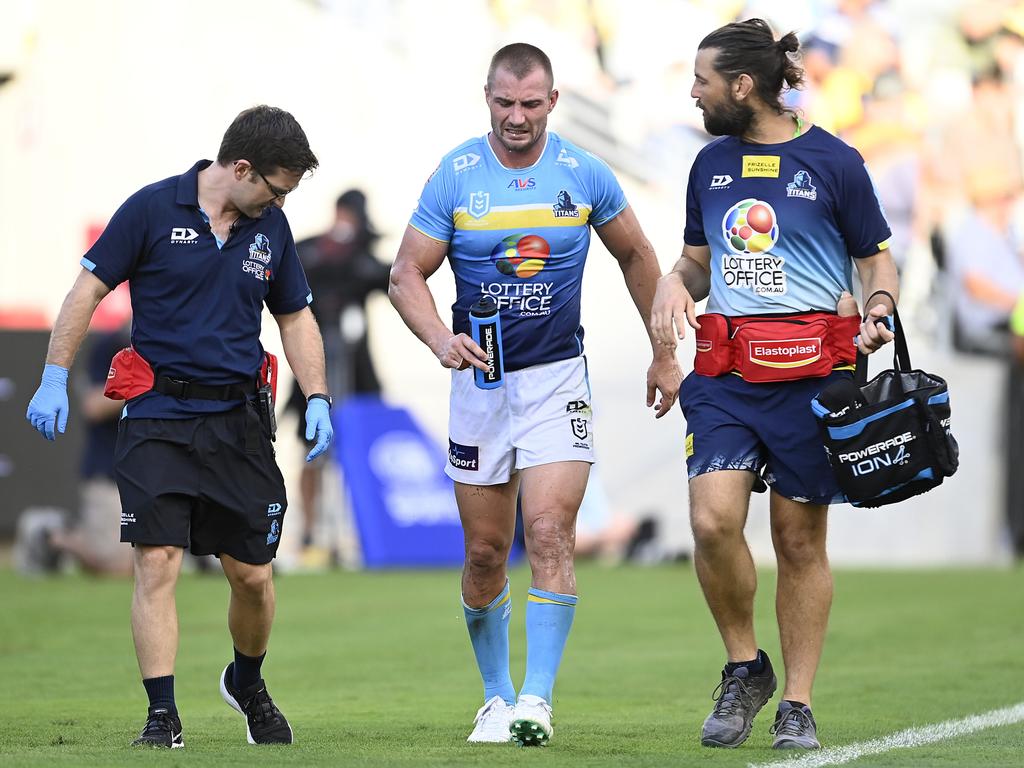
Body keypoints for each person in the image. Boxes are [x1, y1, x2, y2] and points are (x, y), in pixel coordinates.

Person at [389, 43, 681, 746]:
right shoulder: (455, 177)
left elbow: (639, 256)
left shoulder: (583, 173)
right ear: (486, 98)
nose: (516, 117)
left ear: (553, 102)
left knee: (549, 532)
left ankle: (536, 700)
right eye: (504, 103)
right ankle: (494, 697)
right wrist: (437, 340)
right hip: (480, 386)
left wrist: (664, 352)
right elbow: (405, 275)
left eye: (530, 103)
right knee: (486, 551)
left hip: (556, 379)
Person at [25, 105, 334, 749]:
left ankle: (246, 681)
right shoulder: (151, 209)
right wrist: (54, 376)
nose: (279, 203)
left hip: (239, 423)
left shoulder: (269, 228)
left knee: (251, 575)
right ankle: (162, 715)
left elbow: (296, 319)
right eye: (276, 188)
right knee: (156, 561)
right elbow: (85, 292)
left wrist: (319, 396)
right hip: (159, 419)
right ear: (241, 168)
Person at [650, 20, 899, 751]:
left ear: (742, 86)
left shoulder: (835, 162)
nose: (692, 93)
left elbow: (876, 262)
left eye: (702, 81)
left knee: (797, 540)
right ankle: (743, 666)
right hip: (727, 375)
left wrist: (879, 306)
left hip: (816, 376)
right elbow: (698, 261)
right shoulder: (709, 166)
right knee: (711, 521)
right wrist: (674, 281)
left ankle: (797, 702)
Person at [284, 189, 390, 556]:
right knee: (312, 449)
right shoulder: (311, 250)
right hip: (312, 365)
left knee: (359, 451)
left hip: (356, 368)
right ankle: (312, 533)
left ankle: (357, 533)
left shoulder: (362, 258)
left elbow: (389, 279)